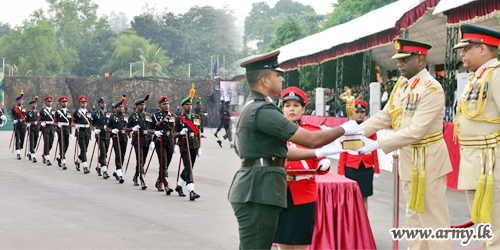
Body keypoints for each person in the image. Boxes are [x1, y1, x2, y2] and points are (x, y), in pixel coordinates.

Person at [228, 50, 361, 250]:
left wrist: (318, 153)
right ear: (264, 80)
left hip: (258, 188)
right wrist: (345, 128)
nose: (281, 78)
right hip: (259, 190)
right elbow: (311, 139)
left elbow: (282, 152)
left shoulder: (256, 106)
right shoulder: (262, 111)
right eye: (277, 74)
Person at [357, 38, 452, 249]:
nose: (399, 64)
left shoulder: (431, 89)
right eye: (398, 60)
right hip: (410, 160)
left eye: (404, 59)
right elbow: (386, 115)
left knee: (434, 221)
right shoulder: (401, 85)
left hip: (429, 160)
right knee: (414, 219)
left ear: (420, 59)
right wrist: (357, 130)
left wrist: (377, 144)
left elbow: (417, 131)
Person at [453, 24, 500, 249]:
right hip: (474, 164)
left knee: (494, 234)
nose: (462, 53)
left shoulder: (497, 75)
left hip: (492, 166)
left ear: (482, 49)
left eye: (467, 48)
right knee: (484, 232)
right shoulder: (475, 79)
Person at [273, 86, 332, 250]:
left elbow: (320, 157)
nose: (291, 109)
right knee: (283, 243)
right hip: (279, 190)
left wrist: (324, 163)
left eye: (296, 105)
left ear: (304, 108)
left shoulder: (313, 132)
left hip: (304, 192)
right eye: (287, 105)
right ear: (282, 108)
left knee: (302, 243)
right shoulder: (274, 131)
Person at [338, 100, 379, 211]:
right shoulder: (347, 128)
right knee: (350, 198)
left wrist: (377, 169)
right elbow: (343, 151)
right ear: (353, 113)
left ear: (365, 113)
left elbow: (374, 149)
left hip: (366, 167)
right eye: (357, 112)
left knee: (364, 197)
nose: (360, 114)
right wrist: (341, 172)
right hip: (351, 167)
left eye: (362, 112)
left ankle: (364, 223)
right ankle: (351, 223)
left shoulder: (370, 128)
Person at [174, 85, 202, 200]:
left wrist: (200, 147)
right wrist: (180, 133)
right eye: (187, 104)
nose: (189, 106)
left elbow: (198, 133)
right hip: (184, 144)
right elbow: (174, 134)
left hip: (194, 144)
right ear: (182, 106)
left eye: (190, 104)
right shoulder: (179, 119)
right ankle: (191, 190)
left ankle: (179, 186)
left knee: (189, 167)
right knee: (188, 166)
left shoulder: (196, 117)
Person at [148, 96, 176, 194]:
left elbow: (174, 130)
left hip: (170, 140)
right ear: (159, 106)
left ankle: (159, 181)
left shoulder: (172, 116)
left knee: (167, 163)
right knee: (163, 163)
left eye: (167, 104)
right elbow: (149, 129)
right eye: (164, 104)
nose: (166, 106)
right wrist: (155, 133)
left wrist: (175, 143)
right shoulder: (155, 116)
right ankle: (166, 185)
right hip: (160, 140)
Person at [125, 94, 151, 189]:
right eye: (140, 105)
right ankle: (142, 179)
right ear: (136, 106)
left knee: (143, 161)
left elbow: (150, 128)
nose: (142, 106)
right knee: (139, 160)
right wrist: (133, 128)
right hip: (138, 139)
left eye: (143, 105)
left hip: (146, 139)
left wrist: (152, 140)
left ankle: (135, 176)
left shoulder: (148, 115)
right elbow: (126, 128)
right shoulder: (132, 115)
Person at [106, 95, 128, 183]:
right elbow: (107, 128)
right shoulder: (112, 117)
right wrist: (112, 131)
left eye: (122, 107)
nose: (121, 108)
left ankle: (116, 171)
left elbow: (127, 127)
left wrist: (130, 137)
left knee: (122, 156)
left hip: (124, 138)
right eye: (119, 107)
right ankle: (119, 174)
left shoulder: (125, 117)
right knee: (118, 156)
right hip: (116, 137)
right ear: (115, 108)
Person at [73, 96, 93, 174]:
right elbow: (73, 122)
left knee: (85, 149)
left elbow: (91, 123)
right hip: (80, 131)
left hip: (87, 131)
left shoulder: (89, 112)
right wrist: (75, 126)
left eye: (85, 103)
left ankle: (78, 161)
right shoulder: (76, 112)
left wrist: (91, 131)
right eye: (82, 103)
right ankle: (85, 166)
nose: (84, 104)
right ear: (80, 104)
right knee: (83, 149)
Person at [92, 97, 111, 178]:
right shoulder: (95, 114)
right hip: (99, 134)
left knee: (105, 153)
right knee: (103, 152)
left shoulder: (109, 114)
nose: (104, 104)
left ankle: (98, 167)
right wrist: (95, 130)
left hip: (107, 134)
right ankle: (104, 171)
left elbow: (111, 124)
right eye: (102, 103)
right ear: (99, 105)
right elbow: (92, 124)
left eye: (104, 103)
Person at [54, 96, 72, 170]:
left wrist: (71, 133)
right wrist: (57, 126)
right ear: (60, 103)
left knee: (66, 145)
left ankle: (59, 157)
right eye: (63, 102)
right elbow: (54, 122)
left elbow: (70, 123)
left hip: (67, 129)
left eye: (65, 102)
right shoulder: (57, 112)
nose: (64, 103)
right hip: (60, 129)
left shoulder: (69, 112)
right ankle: (64, 162)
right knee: (62, 145)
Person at [39, 96, 55, 165]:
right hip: (45, 128)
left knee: (51, 143)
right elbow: (39, 120)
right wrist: (41, 123)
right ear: (45, 103)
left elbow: (55, 121)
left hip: (52, 128)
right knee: (46, 142)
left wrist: (56, 131)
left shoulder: (54, 111)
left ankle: (44, 154)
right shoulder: (42, 111)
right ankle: (47, 158)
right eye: (48, 102)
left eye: (50, 101)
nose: (49, 103)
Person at [11, 90, 27, 160]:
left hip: (23, 124)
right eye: (18, 100)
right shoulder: (14, 108)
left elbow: (26, 116)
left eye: (21, 100)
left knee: (22, 138)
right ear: (16, 101)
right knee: (17, 138)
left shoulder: (25, 108)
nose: (20, 101)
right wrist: (13, 120)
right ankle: (18, 153)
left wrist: (27, 123)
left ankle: (20, 147)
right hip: (17, 124)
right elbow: (12, 116)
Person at [25, 96, 40, 163]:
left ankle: (30, 153)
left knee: (35, 141)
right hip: (31, 127)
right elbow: (25, 121)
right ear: (31, 105)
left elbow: (39, 121)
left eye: (35, 104)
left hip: (36, 127)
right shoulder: (28, 113)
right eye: (33, 104)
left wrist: (40, 128)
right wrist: (27, 124)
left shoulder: (38, 113)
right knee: (32, 141)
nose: (34, 105)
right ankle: (33, 156)